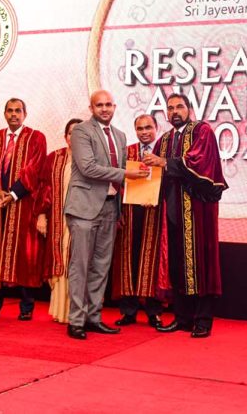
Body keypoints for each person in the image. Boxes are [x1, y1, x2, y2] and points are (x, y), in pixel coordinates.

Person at [64, 90, 148, 340]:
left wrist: (145, 177)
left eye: (108, 105)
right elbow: (88, 168)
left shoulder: (120, 136)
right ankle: (76, 321)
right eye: (99, 105)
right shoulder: (81, 131)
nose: (104, 109)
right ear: (91, 108)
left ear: (114, 107)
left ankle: (94, 317)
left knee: (101, 267)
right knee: (80, 266)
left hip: (110, 207)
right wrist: (126, 174)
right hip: (84, 208)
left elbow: (122, 170)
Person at [143, 93, 228, 338]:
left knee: (201, 263)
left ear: (189, 109)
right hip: (172, 211)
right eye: (170, 108)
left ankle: (202, 320)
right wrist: (145, 187)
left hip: (198, 211)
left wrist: (164, 162)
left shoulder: (202, 131)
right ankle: (182, 318)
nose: (174, 112)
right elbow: (154, 173)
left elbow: (198, 162)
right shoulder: (165, 140)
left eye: (179, 107)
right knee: (178, 264)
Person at [0, 98, 47, 321]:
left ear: (25, 114)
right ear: (4, 114)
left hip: (23, 204)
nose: (14, 114)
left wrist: (12, 194)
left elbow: (34, 171)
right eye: (10, 111)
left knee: (24, 255)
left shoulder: (36, 138)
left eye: (18, 111)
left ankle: (26, 306)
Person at [113, 114, 164, 328]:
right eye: (140, 128)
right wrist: (117, 212)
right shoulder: (128, 152)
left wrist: (156, 196)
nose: (144, 132)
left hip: (155, 213)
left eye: (148, 127)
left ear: (156, 128)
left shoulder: (163, 151)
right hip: (130, 211)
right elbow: (117, 183)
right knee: (129, 260)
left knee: (152, 262)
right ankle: (129, 311)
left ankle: (154, 312)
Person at [36, 117, 82, 324]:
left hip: (82, 221)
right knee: (60, 260)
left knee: (78, 262)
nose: (74, 136)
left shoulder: (92, 159)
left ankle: (78, 312)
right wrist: (41, 215)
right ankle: (61, 310)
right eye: (71, 133)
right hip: (58, 220)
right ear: (65, 137)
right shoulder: (54, 158)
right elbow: (43, 189)